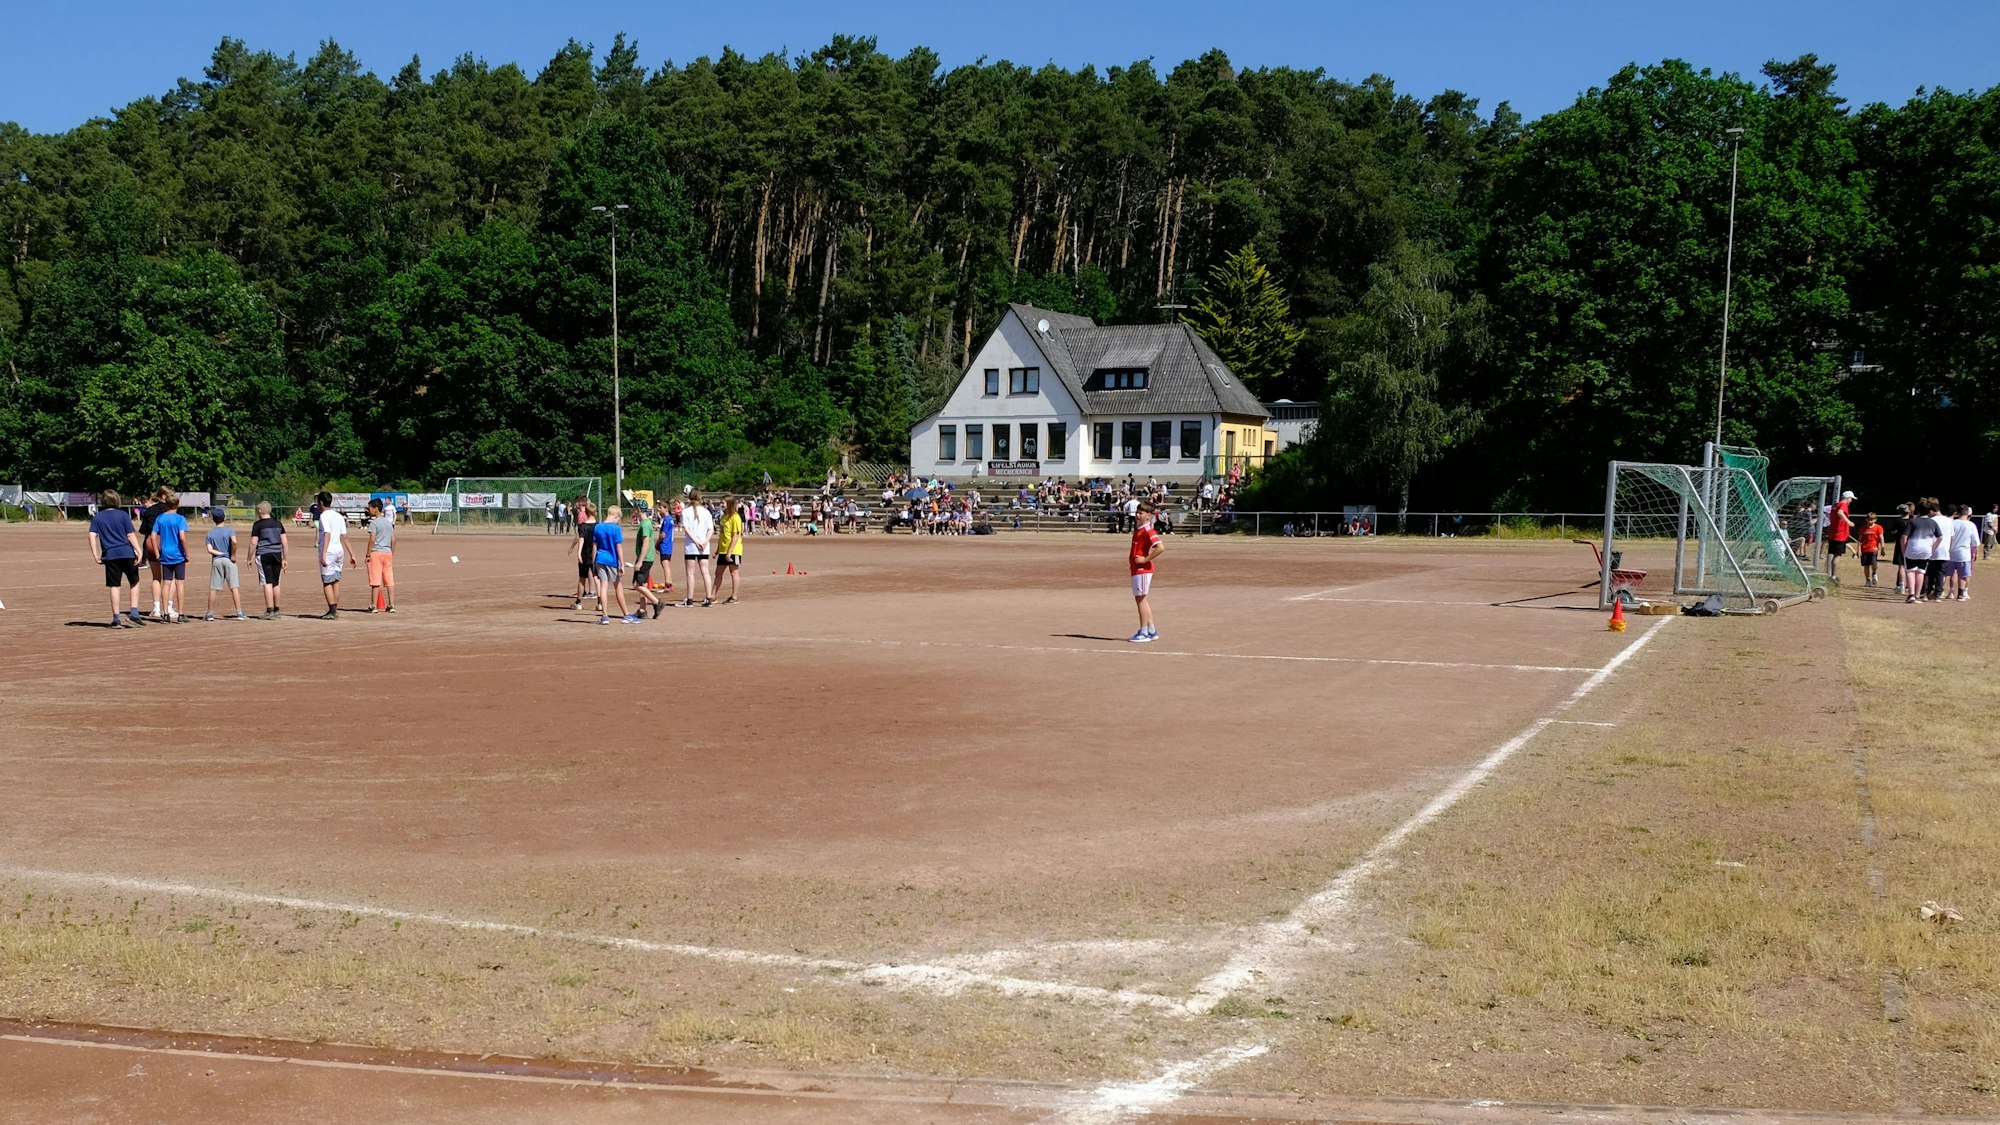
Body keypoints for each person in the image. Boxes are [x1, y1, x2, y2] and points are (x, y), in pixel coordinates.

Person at [87, 489, 145, 627]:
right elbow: (130, 535)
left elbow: (91, 535)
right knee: (134, 582)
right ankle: (134, 613)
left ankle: (116, 618)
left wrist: (95, 554)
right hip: (127, 553)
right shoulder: (123, 515)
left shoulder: (97, 517)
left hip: (110, 555)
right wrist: (139, 550)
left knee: (114, 585)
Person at [591, 504, 639, 624]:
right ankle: (626, 614)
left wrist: (593, 563)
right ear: (615, 516)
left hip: (599, 559)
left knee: (603, 586)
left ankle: (605, 616)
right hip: (612, 561)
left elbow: (595, 546)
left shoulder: (598, 527)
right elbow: (619, 547)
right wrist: (622, 563)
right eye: (619, 519)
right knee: (618, 587)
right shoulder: (616, 529)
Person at [149, 491, 191, 623]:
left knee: (166, 583)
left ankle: (165, 613)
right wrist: (186, 553)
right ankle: (181, 613)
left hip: (165, 554)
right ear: (177, 505)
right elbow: (182, 537)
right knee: (180, 583)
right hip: (178, 554)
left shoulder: (160, 518)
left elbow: (153, 536)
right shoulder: (180, 519)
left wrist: (156, 551)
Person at [201, 508, 247, 620]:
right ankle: (239, 612)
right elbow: (234, 541)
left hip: (217, 560)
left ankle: (210, 613)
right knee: (234, 587)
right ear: (224, 518)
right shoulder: (230, 530)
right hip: (229, 560)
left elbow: (209, 549)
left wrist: (219, 553)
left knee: (214, 588)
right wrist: (233, 554)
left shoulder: (210, 533)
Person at [1128, 500, 1164, 643]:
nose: (1137, 515)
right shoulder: (1139, 529)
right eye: (1137, 512)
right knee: (1142, 599)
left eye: (1140, 513)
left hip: (1142, 570)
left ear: (1148, 515)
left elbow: (1160, 547)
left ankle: (1143, 631)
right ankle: (1151, 630)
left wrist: (1145, 560)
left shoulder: (1148, 530)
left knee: (1140, 599)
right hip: (1136, 569)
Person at [138, 488, 173, 619]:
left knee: (156, 577)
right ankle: (169, 607)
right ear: (164, 496)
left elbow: (143, 530)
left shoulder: (150, 511)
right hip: (167, 542)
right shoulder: (171, 511)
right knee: (170, 578)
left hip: (151, 543)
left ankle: (157, 608)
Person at [249, 500, 288, 618]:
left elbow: (253, 543)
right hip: (277, 554)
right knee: (276, 583)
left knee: (267, 582)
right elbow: (285, 542)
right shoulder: (278, 524)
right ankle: (277, 610)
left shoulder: (258, 525)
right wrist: (285, 558)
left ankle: (269, 610)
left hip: (264, 554)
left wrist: (248, 558)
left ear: (260, 511)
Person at [314, 489, 350, 619]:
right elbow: (344, 536)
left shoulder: (324, 516)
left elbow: (327, 534)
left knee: (327, 582)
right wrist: (352, 554)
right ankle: (335, 608)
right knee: (336, 580)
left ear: (322, 503)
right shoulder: (338, 516)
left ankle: (332, 610)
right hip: (339, 549)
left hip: (329, 551)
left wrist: (323, 554)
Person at [679, 492, 716, 607]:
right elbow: (711, 529)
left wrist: (696, 541)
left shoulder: (685, 511)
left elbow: (686, 529)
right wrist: (704, 542)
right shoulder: (706, 512)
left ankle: (690, 599)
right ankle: (708, 598)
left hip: (691, 546)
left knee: (690, 573)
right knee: (705, 572)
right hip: (704, 547)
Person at [1902, 500, 1943, 605]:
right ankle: (1917, 595)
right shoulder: (1933, 522)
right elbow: (1940, 537)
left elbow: (1904, 537)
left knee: (1910, 571)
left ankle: (1911, 594)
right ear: (1929, 511)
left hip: (1912, 548)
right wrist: (1933, 549)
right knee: (1921, 572)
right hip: (1926, 550)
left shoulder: (1912, 522)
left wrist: (1904, 549)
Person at [364, 498, 397, 613]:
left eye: (370, 508)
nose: (369, 510)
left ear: (375, 509)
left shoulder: (373, 523)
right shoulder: (388, 522)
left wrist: (368, 554)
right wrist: (391, 552)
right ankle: (391, 604)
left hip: (376, 553)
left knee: (375, 580)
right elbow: (393, 540)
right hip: (387, 552)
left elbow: (372, 539)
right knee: (389, 580)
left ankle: (374, 605)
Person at [631, 506, 664, 619]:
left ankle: (656, 602)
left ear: (639, 510)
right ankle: (642, 610)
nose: (633, 511)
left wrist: (639, 561)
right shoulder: (646, 522)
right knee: (643, 585)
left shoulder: (645, 524)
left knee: (636, 585)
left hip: (644, 559)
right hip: (647, 558)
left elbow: (645, 543)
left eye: (634, 509)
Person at [716, 496, 744, 604]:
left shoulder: (735, 517)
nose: (721, 505)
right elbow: (722, 535)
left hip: (734, 550)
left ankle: (734, 597)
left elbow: (736, 536)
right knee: (718, 573)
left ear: (729, 504)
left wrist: (730, 552)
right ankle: (712, 596)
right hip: (723, 549)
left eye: (723, 503)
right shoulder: (723, 517)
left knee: (733, 572)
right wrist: (718, 549)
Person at [571, 498, 597, 612]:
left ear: (586, 512)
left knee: (582, 578)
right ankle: (600, 603)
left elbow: (581, 539)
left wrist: (578, 552)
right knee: (597, 578)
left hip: (585, 553)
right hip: (596, 554)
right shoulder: (599, 526)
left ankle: (579, 603)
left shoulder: (582, 526)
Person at [1948, 504, 1978, 601]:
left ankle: (1949, 592)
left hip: (1951, 552)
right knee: (1963, 575)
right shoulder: (1971, 525)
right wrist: (1974, 553)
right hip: (1964, 553)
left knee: (1950, 573)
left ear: (1958, 512)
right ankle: (1961, 594)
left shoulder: (1952, 523)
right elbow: (1974, 543)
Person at [1826, 490, 1854, 583]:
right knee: (1837, 556)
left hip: (1834, 533)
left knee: (1835, 555)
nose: (1851, 501)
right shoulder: (1843, 504)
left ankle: (1833, 575)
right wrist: (1848, 521)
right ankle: (1833, 576)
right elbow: (1840, 513)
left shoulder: (1835, 505)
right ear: (1848, 498)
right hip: (1839, 534)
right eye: (1851, 499)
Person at [1856, 513, 1883, 588]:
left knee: (1874, 563)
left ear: (1875, 520)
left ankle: (1874, 573)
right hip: (1865, 549)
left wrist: (1882, 547)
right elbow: (1860, 540)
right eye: (1869, 519)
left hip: (1874, 548)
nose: (1870, 521)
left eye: (1872, 520)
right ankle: (1868, 580)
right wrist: (1858, 550)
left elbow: (1881, 538)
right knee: (1866, 565)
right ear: (1866, 519)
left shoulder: (1878, 528)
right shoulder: (1863, 528)